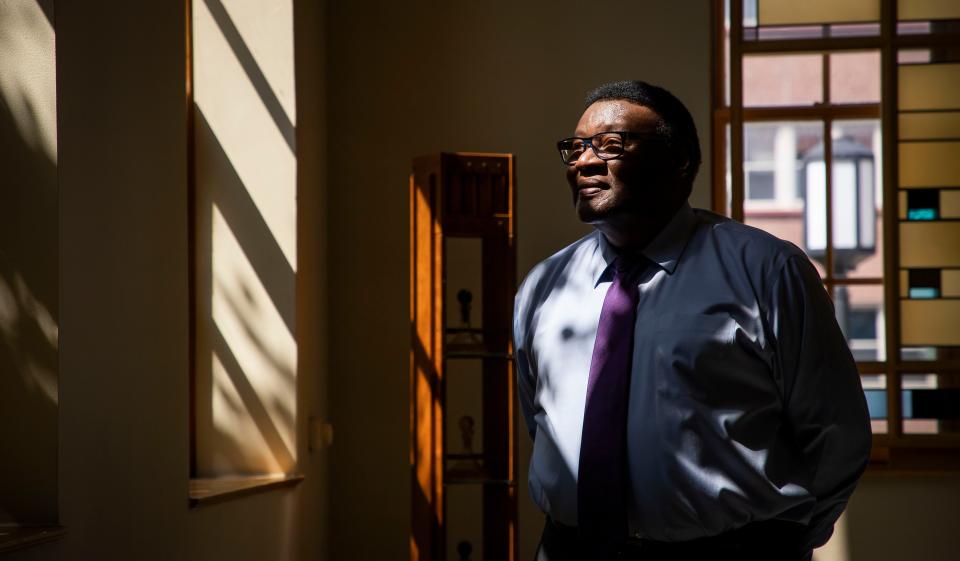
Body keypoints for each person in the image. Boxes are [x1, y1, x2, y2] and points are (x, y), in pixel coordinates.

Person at [512, 80, 872, 561]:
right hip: (571, 547)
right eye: (574, 148)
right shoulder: (544, 286)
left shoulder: (765, 272)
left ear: (679, 161)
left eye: (611, 145)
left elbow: (835, 432)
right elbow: (544, 422)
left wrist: (784, 544)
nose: (584, 161)